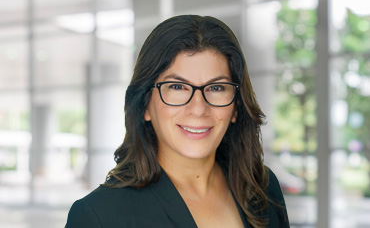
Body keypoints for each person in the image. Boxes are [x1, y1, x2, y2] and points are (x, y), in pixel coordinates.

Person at [65, 15, 289, 228]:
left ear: (236, 107)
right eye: (177, 87)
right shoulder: (98, 216)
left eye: (216, 88)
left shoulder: (263, 188)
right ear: (145, 105)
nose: (199, 108)